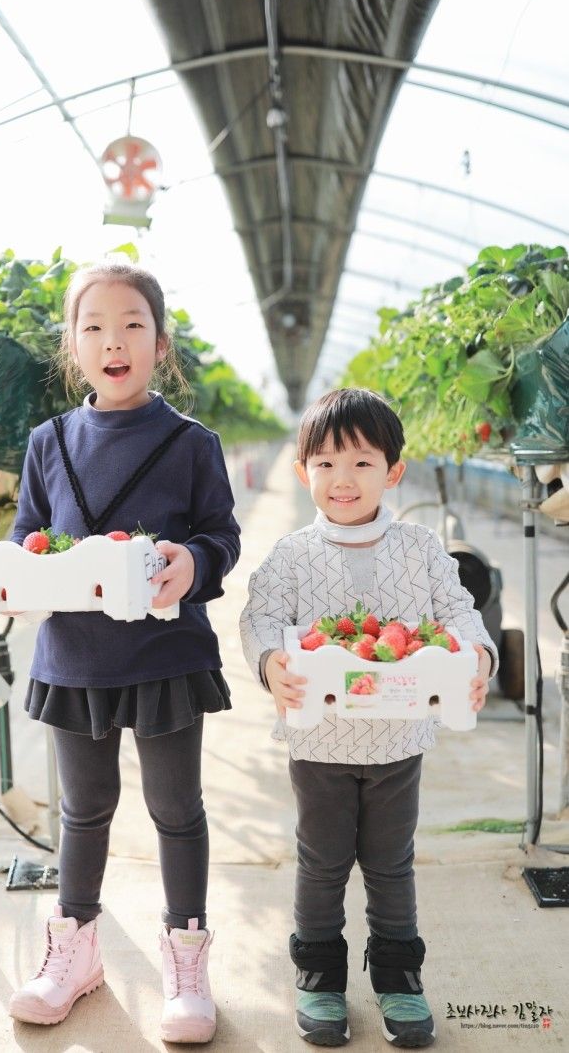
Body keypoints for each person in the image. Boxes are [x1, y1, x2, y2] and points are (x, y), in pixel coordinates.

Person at [7, 260, 240, 1043]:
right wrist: (21, 576)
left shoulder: (190, 442)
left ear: (160, 343)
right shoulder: (47, 442)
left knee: (176, 810)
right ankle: (73, 953)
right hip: (73, 655)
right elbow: (26, 540)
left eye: (133, 324)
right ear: (71, 346)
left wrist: (193, 562)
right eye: (95, 327)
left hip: (166, 652)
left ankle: (185, 953)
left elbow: (219, 535)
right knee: (84, 809)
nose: (115, 340)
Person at [239, 387, 496, 1049]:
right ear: (301, 473)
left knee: (390, 863)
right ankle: (319, 976)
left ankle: (398, 977)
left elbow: (458, 611)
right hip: (318, 741)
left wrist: (479, 658)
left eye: (359, 461)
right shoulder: (293, 554)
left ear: (393, 471)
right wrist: (270, 661)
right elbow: (260, 616)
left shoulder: (417, 547)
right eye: (323, 463)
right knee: (320, 863)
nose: (341, 478)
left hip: (397, 739)